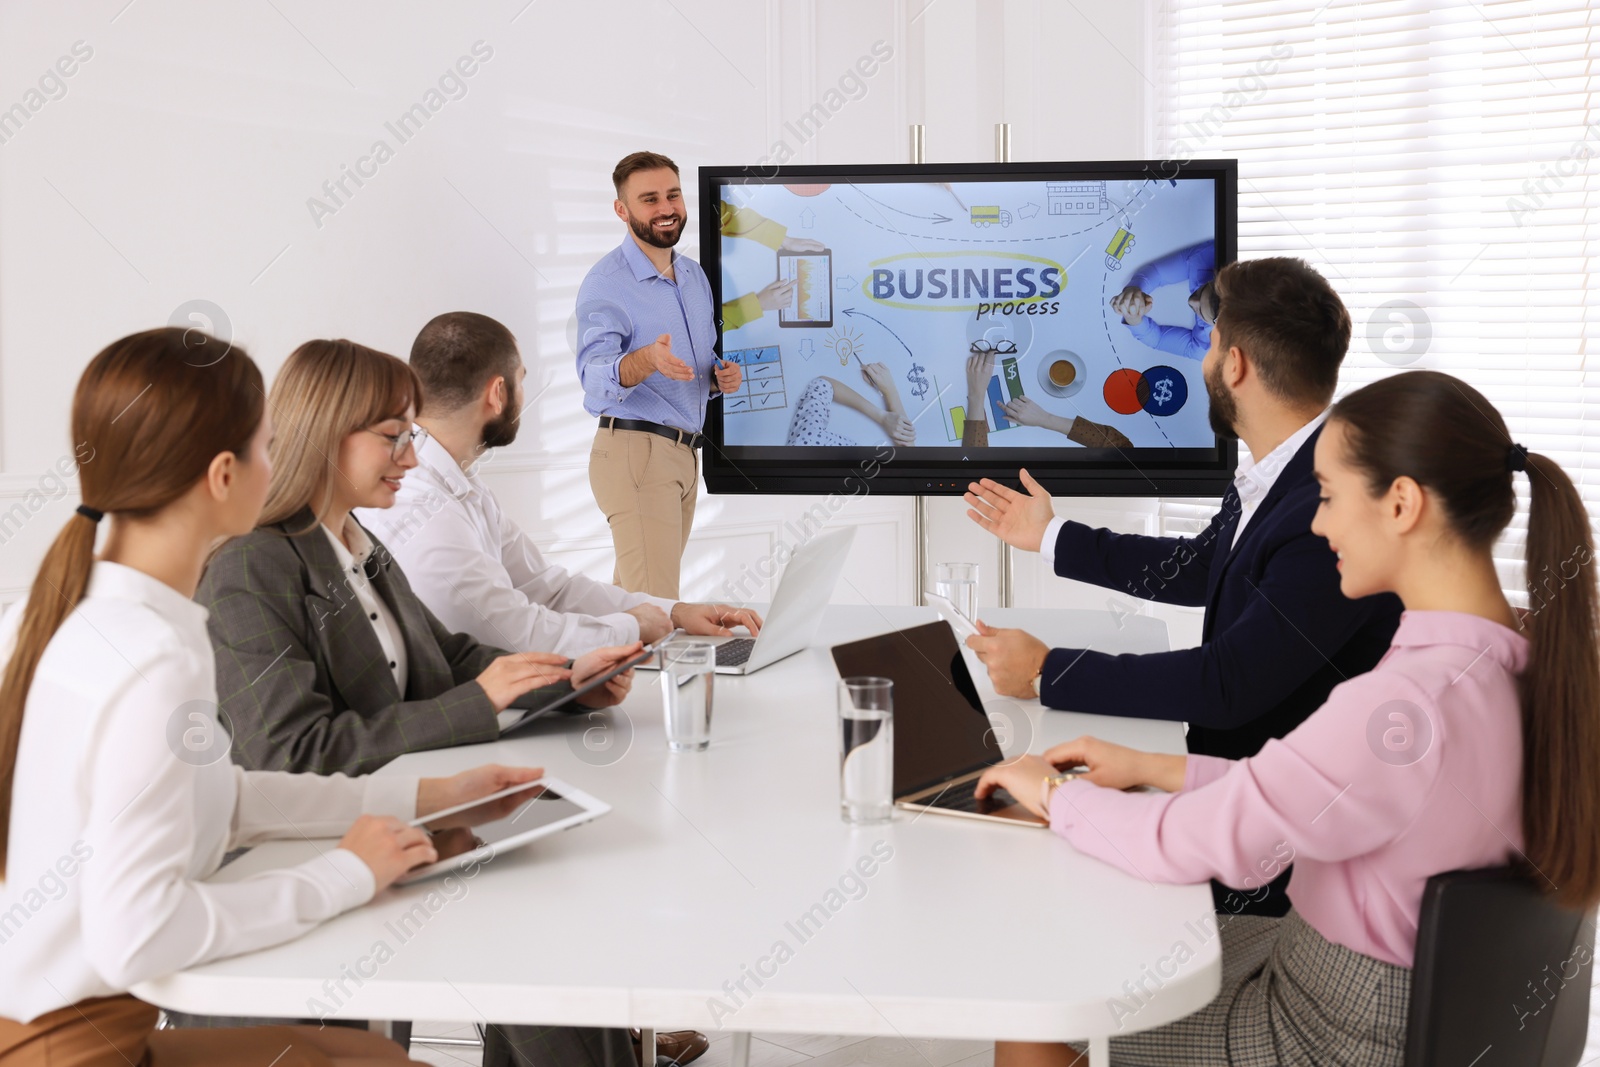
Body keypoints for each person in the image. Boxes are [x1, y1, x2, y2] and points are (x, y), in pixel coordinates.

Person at [973, 370, 1600, 1065]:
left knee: (1039, 999)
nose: (1318, 521)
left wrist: (1051, 793)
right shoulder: (1527, 665)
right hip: (1416, 1000)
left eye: (1327, 496)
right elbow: (1310, 788)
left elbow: (1191, 841)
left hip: (1331, 1031)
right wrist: (1154, 766)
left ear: (1401, 504)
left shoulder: (1403, 706)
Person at [0, 327, 548, 1065]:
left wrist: (425, 797)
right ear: (224, 474)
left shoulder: (77, 613)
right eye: (267, 444)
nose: (280, 460)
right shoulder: (155, 656)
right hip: (76, 1048)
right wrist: (345, 873)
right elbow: (137, 933)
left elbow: (222, 798)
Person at [964, 257, 1403, 917]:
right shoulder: (1287, 470)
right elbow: (1205, 565)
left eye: (1209, 342)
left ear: (1236, 365)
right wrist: (1052, 535)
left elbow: (1228, 684)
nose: (1201, 361)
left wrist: (1049, 670)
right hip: (1230, 796)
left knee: (1034, 891)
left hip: (1271, 856)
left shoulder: (1328, 507)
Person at [198, 339, 637, 778]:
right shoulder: (249, 566)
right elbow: (287, 752)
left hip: (413, 798)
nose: (410, 458)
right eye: (395, 436)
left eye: (412, 436)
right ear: (327, 433)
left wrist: (570, 683)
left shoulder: (359, 541)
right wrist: (479, 704)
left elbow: (448, 657)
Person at [359, 311, 763, 657]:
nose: (522, 393)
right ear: (498, 394)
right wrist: (632, 627)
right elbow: (512, 635)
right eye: (521, 380)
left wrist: (673, 612)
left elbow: (548, 589)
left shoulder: (462, 486)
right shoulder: (421, 503)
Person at [576, 150, 742, 598]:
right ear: (622, 210)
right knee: (657, 606)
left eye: (672, 194)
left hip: (682, 455)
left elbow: (693, 368)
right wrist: (644, 359)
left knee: (636, 601)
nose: (666, 208)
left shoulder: (693, 277)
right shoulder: (606, 282)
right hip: (637, 452)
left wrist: (717, 379)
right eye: (649, 199)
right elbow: (593, 380)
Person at [1110, 238, 1217, 361]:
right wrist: (1135, 289)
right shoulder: (1210, 256)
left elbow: (1159, 340)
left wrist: (1134, 319)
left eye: (1200, 311)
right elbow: (1158, 273)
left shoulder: (1209, 352)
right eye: (1203, 290)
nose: (1190, 301)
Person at [786, 362, 914, 446]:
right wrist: (890, 393)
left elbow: (822, 384)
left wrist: (883, 417)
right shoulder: (807, 442)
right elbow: (911, 470)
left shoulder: (806, 441)